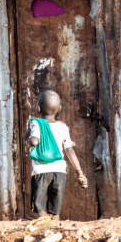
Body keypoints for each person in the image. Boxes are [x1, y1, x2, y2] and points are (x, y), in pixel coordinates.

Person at [24, 90, 88, 220]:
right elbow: (69, 150)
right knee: (55, 212)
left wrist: (29, 135)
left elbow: (34, 141)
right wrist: (79, 172)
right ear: (59, 109)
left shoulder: (37, 123)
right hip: (59, 172)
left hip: (41, 171)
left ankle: (47, 226)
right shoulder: (63, 126)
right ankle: (56, 229)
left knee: (37, 209)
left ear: (38, 108)